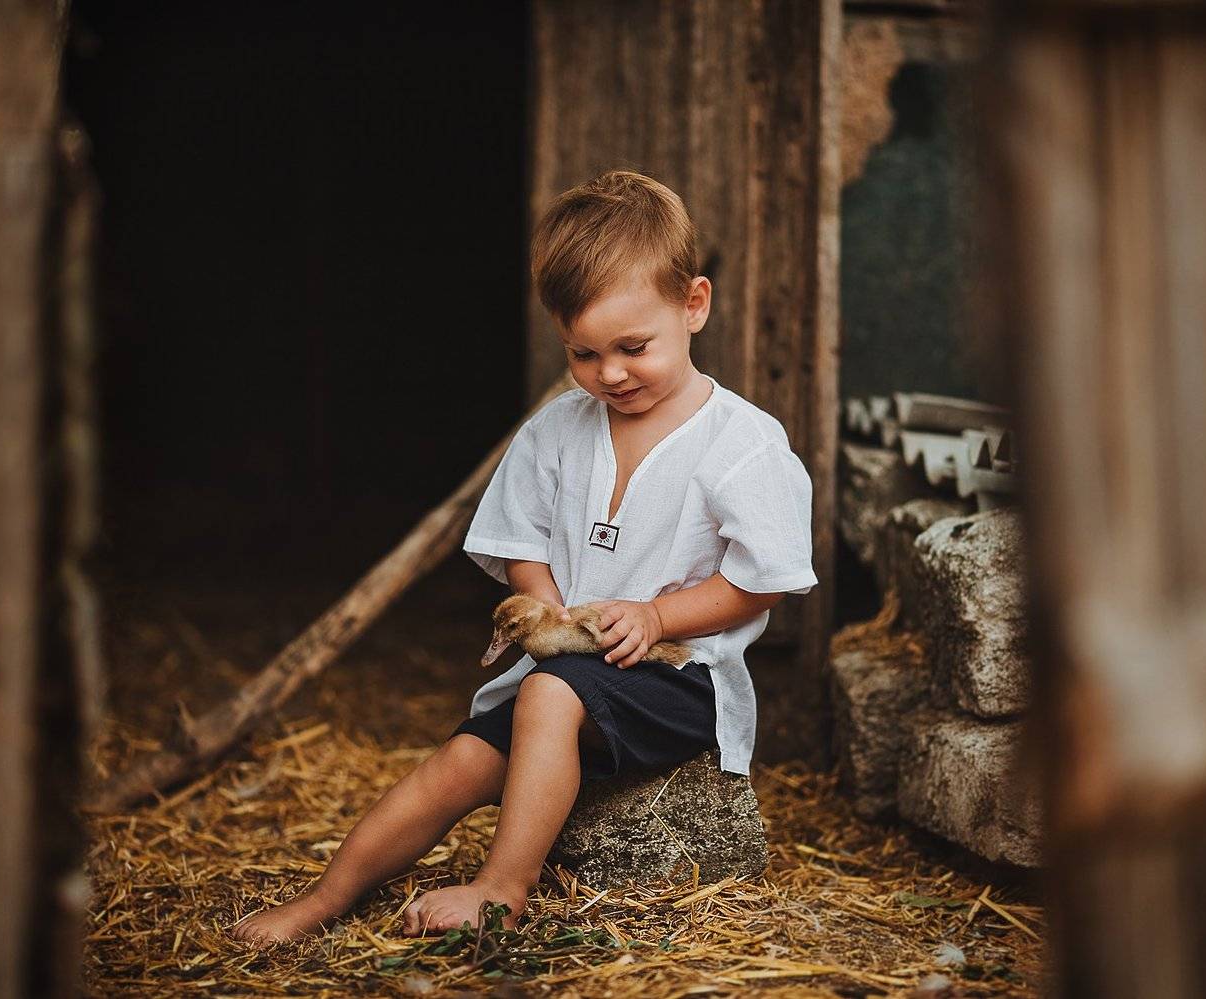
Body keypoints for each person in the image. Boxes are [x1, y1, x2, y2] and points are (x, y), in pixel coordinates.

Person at [230, 170, 816, 945]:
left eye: (633, 348)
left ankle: (503, 886)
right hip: (570, 673)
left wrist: (655, 615)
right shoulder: (555, 432)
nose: (610, 373)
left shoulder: (741, 442)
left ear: (694, 304)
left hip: (680, 676)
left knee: (547, 696)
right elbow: (521, 547)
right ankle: (322, 900)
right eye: (583, 353)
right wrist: (547, 610)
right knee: (458, 762)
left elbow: (761, 581)